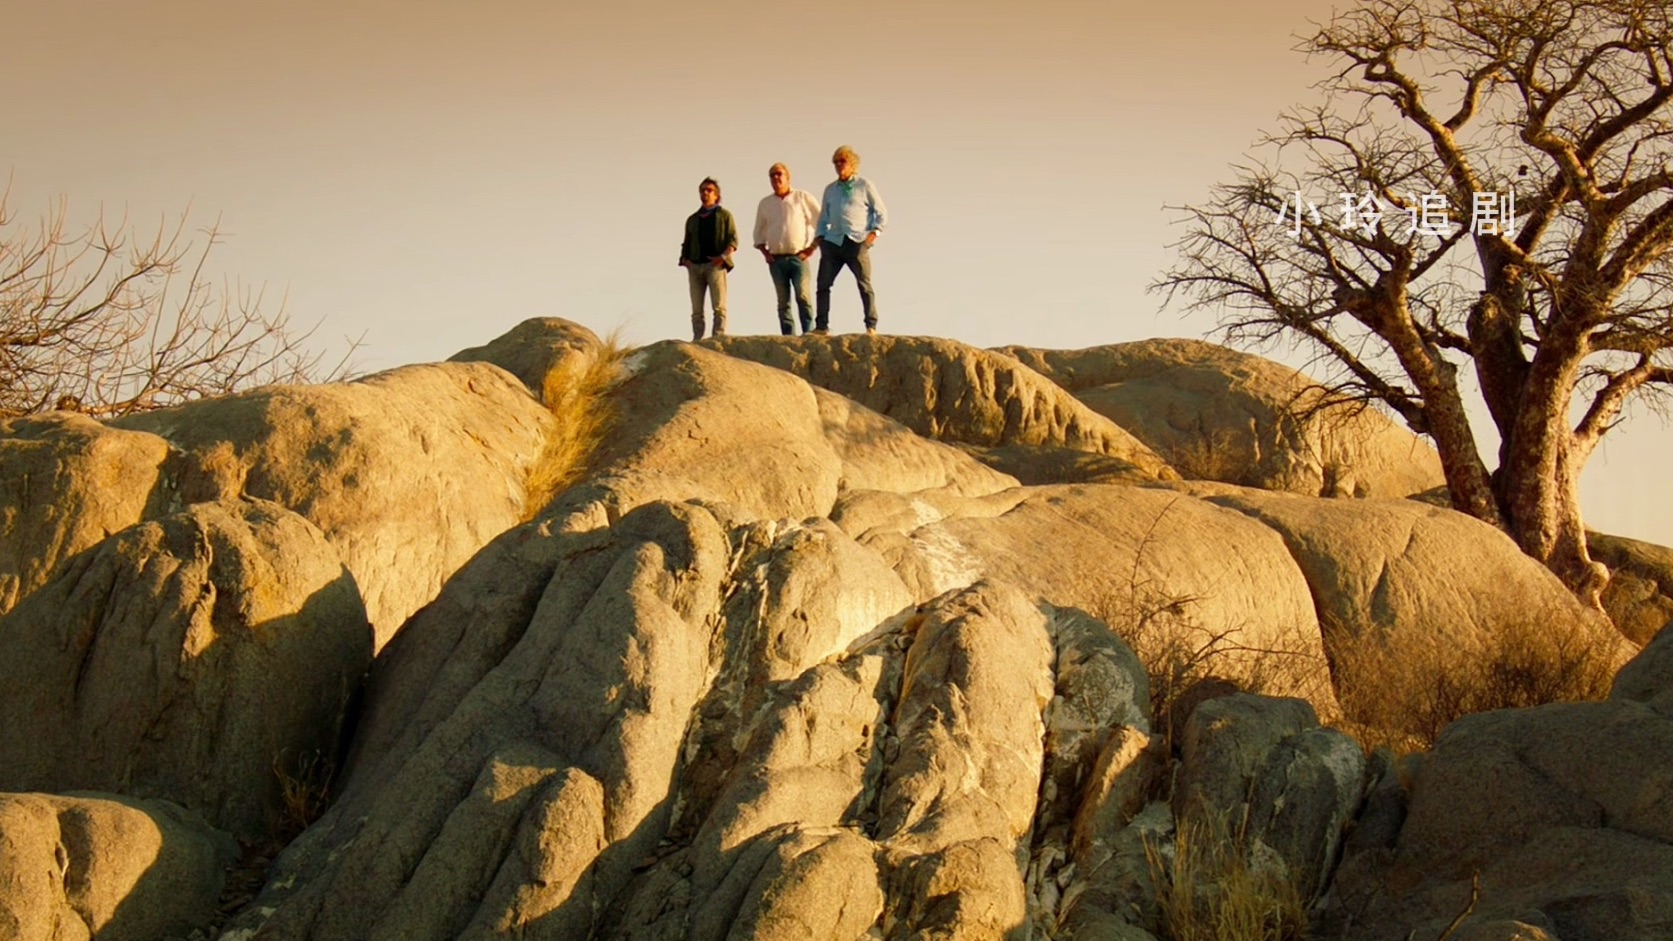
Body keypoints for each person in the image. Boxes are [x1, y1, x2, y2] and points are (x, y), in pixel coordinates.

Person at [814, 145, 888, 335]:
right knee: (823, 284)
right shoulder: (830, 189)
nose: (839, 165)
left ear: (852, 164)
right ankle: (821, 326)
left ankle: (871, 325)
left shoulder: (865, 185)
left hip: (856, 240)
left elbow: (881, 213)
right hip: (833, 241)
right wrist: (821, 238)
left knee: (864, 284)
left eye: (843, 161)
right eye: (836, 162)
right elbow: (823, 216)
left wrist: (873, 235)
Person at [751, 163, 821, 335]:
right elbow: (758, 231)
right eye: (772, 175)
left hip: (799, 256)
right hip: (776, 259)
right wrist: (765, 253)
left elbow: (821, 223)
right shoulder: (765, 203)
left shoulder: (802, 197)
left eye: (779, 174)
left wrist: (811, 248)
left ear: (788, 177)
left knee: (802, 296)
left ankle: (809, 332)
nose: (776, 178)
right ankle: (788, 335)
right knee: (783, 302)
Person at [679, 177, 737, 341]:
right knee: (696, 309)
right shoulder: (693, 219)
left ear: (716, 195)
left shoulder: (724, 215)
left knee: (719, 306)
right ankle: (697, 338)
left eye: (709, 190)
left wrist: (723, 257)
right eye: (702, 190)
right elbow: (687, 242)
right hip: (695, 266)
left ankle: (718, 336)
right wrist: (686, 261)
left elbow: (733, 240)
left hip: (715, 265)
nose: (705, 193)